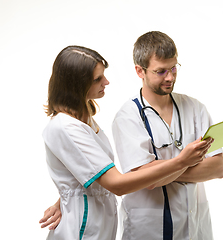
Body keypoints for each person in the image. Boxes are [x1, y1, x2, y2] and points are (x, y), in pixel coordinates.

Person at [39, 45, 213, 239]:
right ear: (75, 85)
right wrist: (182, 161)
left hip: (99, 225)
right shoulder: (66, 127)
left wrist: (65, 199)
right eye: (97, 79)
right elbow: (118, 184)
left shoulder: (84, 120)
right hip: (80, 231)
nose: (106, 81)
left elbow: (84, 172)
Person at [112, 31, 223, 240]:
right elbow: (145, 180)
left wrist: (159, 170)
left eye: (174, 68)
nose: (170, 77)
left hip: (195, 225)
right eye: (161, 71)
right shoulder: (128, 117)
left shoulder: (195, 108)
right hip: (149, 228)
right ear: (140, 71)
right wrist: (185, 162)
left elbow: (218, 168)